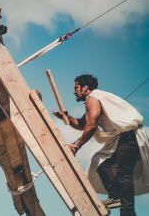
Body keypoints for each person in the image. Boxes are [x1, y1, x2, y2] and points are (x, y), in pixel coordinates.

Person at [53, 74, 149, 216]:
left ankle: (127, 212)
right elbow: (82, 124)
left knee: (123, 173)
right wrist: (67, 118)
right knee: (100, 164)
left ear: (85, 87)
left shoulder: (93, 98)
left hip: (130, 137)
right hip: (123, 138)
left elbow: (91, 125)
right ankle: (116, 197)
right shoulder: (93, 100)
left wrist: (77, 145)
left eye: (76, 88)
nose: (74, 91)